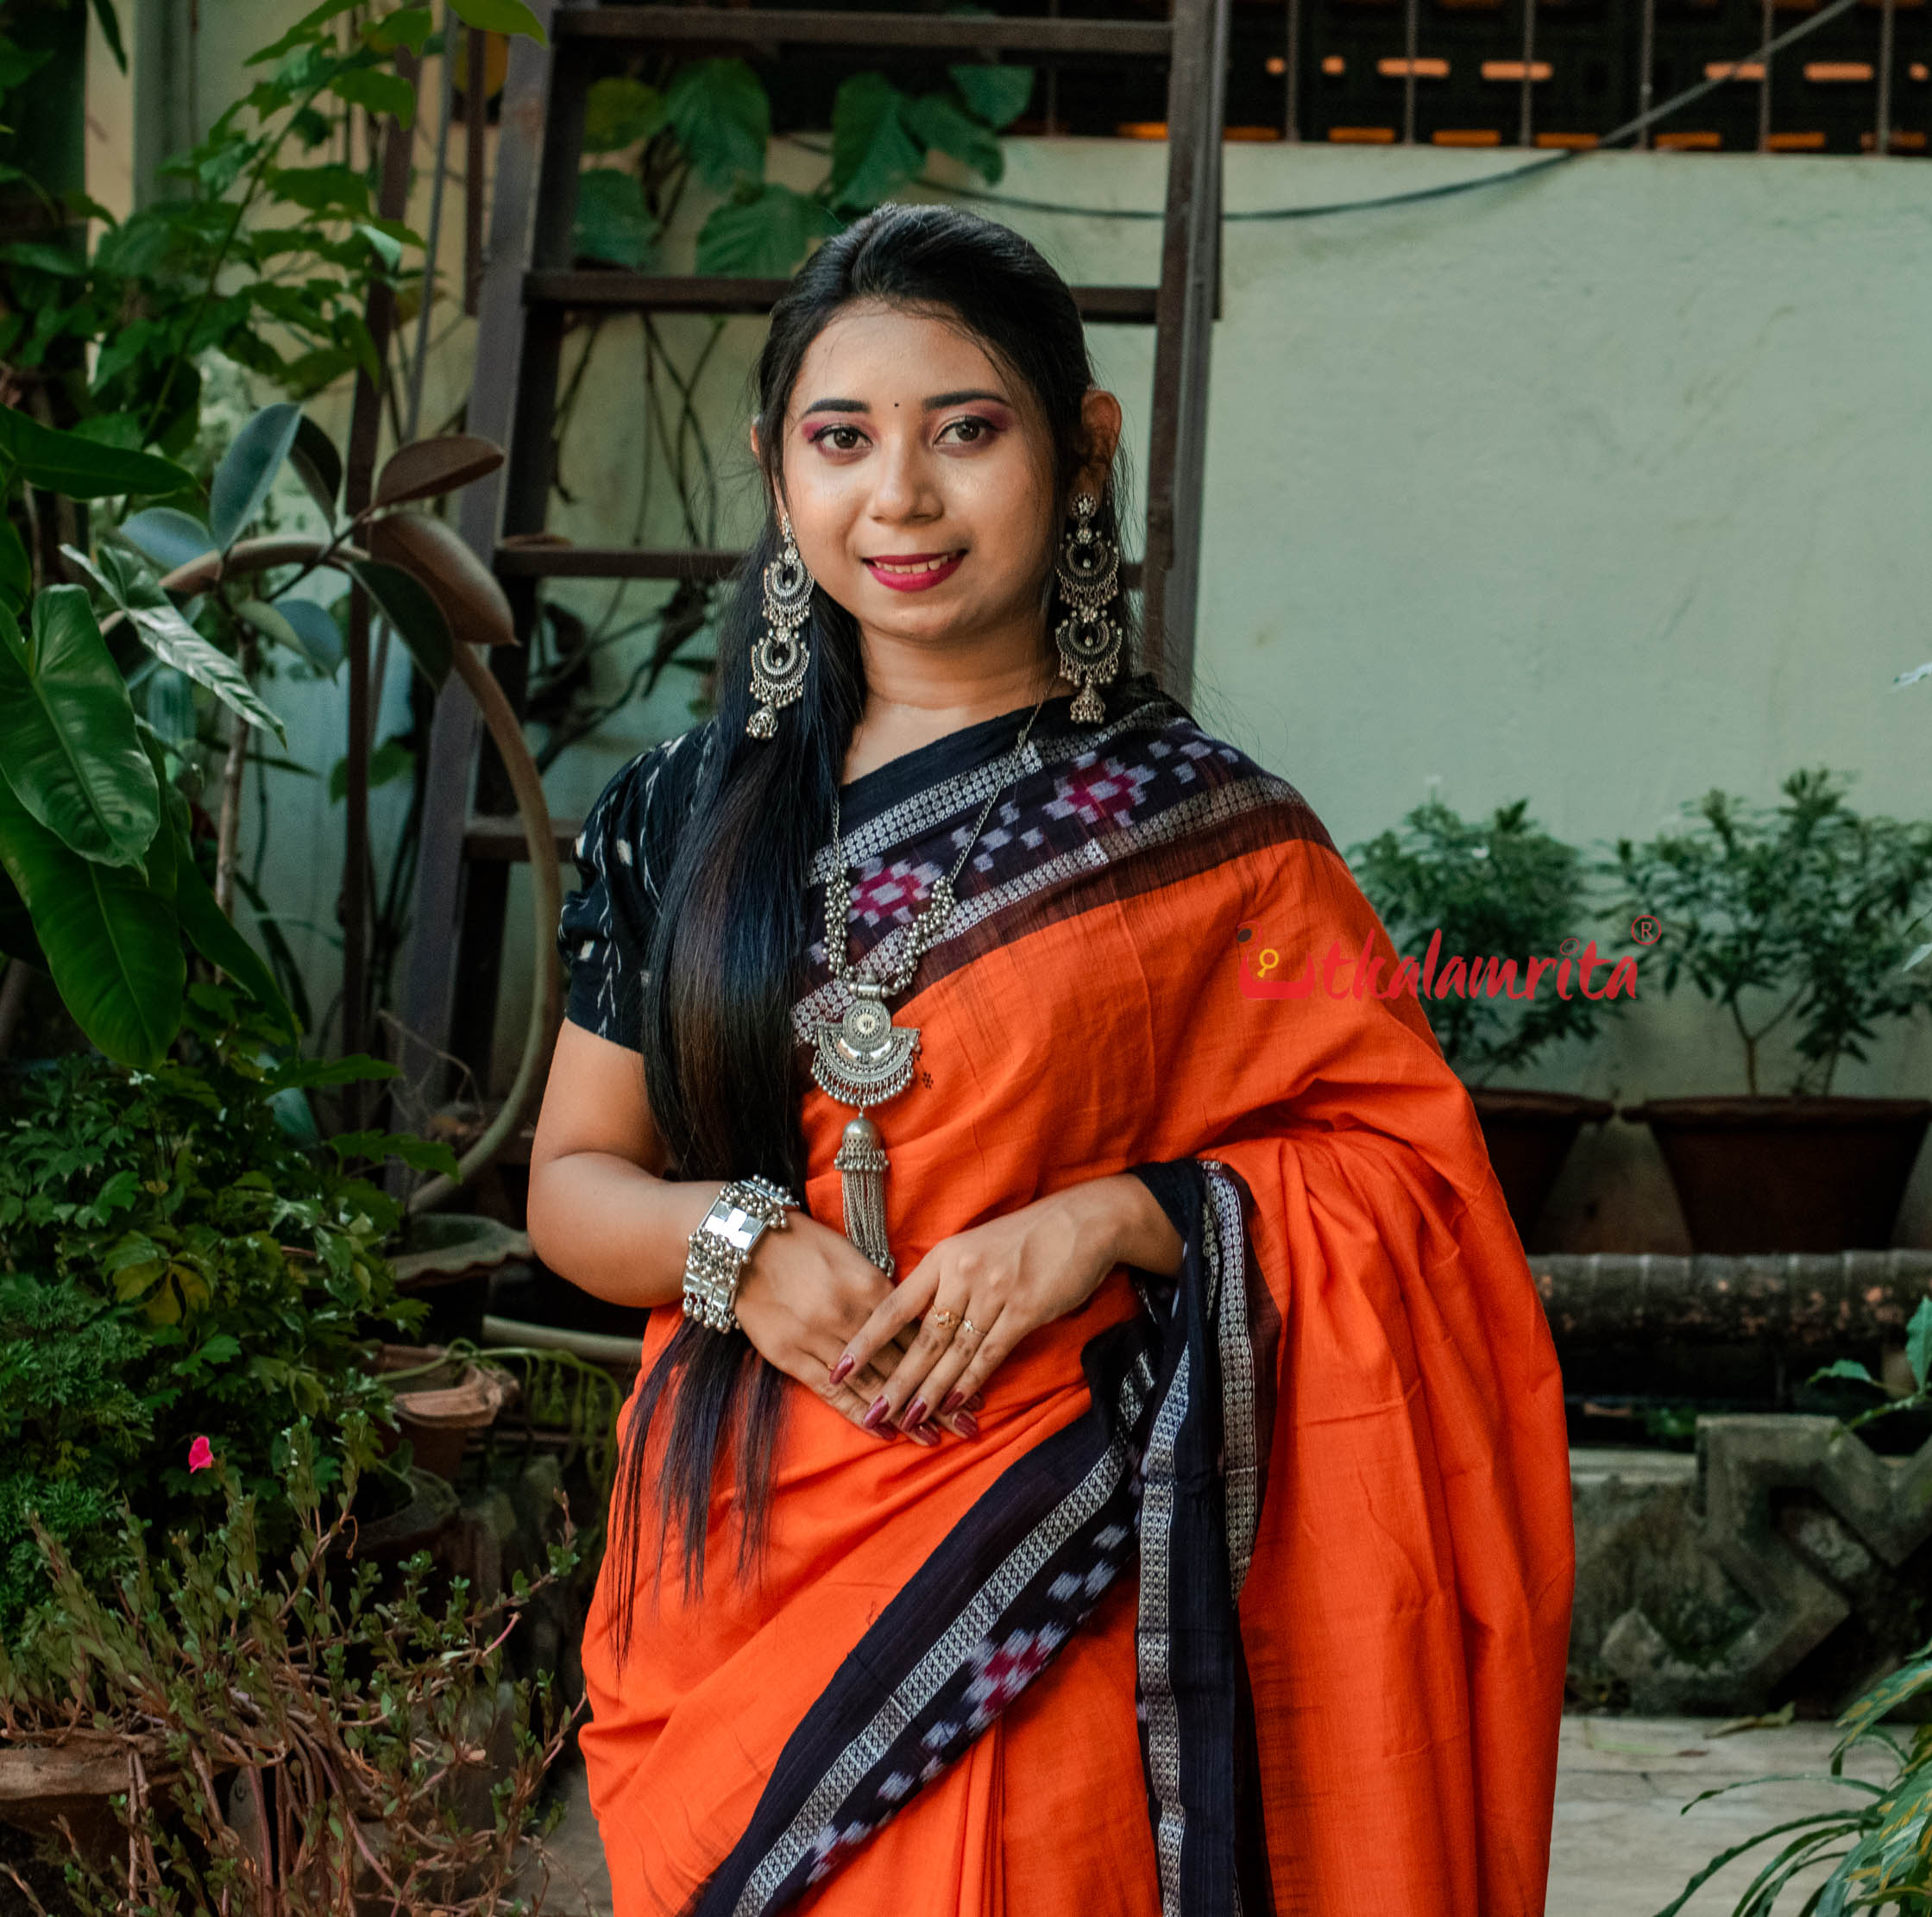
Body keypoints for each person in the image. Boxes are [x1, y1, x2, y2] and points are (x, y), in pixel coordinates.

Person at [527, 203, 1573, 1917]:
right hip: (735, 1573)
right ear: (775, 471)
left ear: (1079, 450)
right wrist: (736, 1250)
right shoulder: (674, 814)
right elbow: (573, 1184)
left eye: (966, 431)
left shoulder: (1213, 840)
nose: (902, 498)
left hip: (1064, 1568)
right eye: (842, 439)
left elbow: (1408, 1187)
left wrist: (1118, 1218)